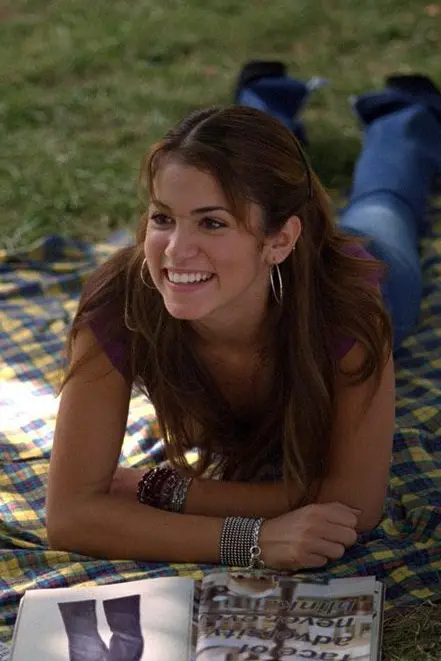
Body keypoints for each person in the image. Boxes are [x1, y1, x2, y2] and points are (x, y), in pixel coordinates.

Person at [46, 73, 441, 572]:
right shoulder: (117, 304)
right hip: (269, 231)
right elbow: (69, 515)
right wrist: (253, 540)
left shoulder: (346, 307)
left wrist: (168, 489)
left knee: (383, 204)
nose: (175, 251)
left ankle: (403, 111)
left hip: (362, 268)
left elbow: (354, 505)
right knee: (236, 164)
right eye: (163, 218)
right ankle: (266, 92)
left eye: (212, 222)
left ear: (280, 240)